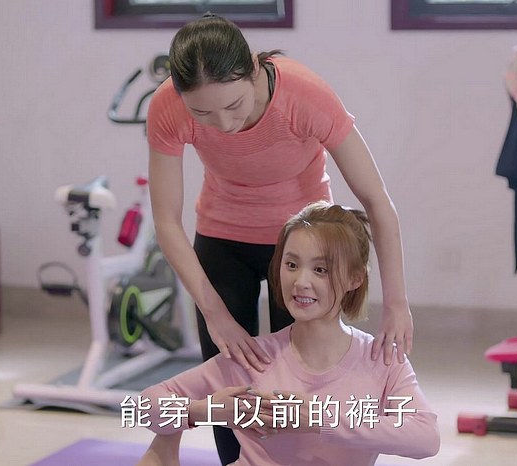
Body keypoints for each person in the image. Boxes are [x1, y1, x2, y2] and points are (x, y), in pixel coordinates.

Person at [146, 14, 414, 462]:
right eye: (203, 113)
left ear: (253, 69)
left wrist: (397, 302)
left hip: (302, 243)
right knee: (232, 375)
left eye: (234, 105)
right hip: (222, 237)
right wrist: (214, 314)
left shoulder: (304, 95)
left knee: (299, 376)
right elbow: (167, 221)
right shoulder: (167, 107)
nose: (224, 124)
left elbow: (377, 201)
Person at [135, 202, 439, 466]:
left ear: (355, 278)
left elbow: (426, 438)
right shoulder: (253, 357)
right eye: (291, 265)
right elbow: (141, 408)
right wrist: (206, 411)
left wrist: (319, 419)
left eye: (320, 270)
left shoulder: (381, 359)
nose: (301, 281)